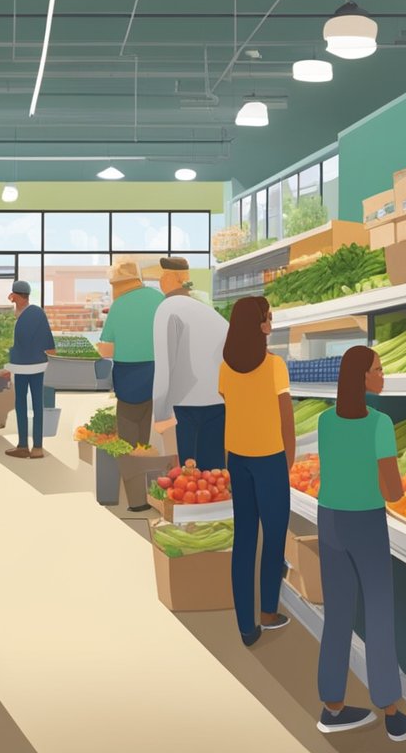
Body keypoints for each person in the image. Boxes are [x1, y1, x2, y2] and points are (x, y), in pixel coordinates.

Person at [314, 346, 406, 742]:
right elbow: (392, 489)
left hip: (329, 520)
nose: (383, 375)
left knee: (338, 615)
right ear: (361, 377)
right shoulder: (380, 424)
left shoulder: (326, 421)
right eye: (378, 370)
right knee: (379, 613)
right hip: (365, 522)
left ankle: (332, 708)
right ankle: (393, 714)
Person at [219, 296, 294, 645]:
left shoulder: (225, 367)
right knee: (275, 536)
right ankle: (267, 610)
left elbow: (232, 409)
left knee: (245, 539)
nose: (272, 322)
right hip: (269, 459)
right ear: (259, 324)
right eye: (269, 317)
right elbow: (285, 418)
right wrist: (289, 461)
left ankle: (245, 626)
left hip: (238, 458)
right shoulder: (274, 365)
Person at [150, 257, 227, 471]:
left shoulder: (167, 309)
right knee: (215, 476)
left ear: (174, 278)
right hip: (218, 403)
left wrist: (161, 413)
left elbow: (165, 366)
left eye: (162, 276)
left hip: (185, 407)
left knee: (188, 478)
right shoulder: (209, 312)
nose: (159, 282)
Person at [97, 260, 164, 478]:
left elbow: (106, 350)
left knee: (126, 437)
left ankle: (134, 494)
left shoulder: (119, 306)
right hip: (155, 374)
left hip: (128, 376)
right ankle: (145, 484)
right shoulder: (159, 299)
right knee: (144, 432)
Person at [5, 280, 55, 460]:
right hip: (38, 364)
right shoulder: (38, 312)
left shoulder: (18, 316)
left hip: (21, 364)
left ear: (16, 296)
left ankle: (23, 445)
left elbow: (14, 340)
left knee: (21, 404)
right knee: (37, 404)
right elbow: (48, 341)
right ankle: (38, 447)